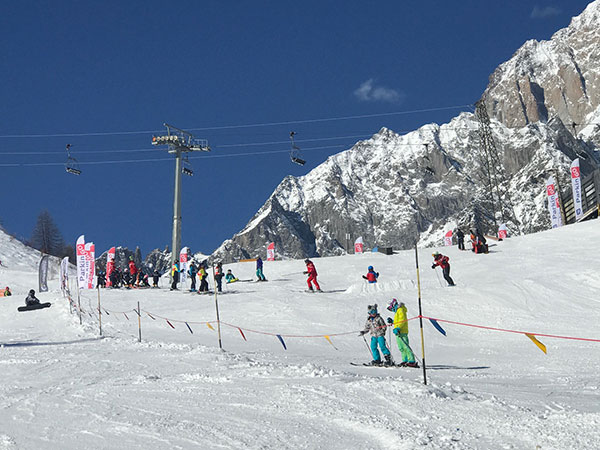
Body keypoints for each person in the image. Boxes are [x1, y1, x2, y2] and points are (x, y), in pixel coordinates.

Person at [386, 299, 418, 368]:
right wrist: (393, 321)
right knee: (401, 348)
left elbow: (402, 320)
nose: (391, 310)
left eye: (390, 308)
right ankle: (405, 360)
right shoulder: (397, 311)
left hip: (402, 331)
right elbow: (398, 321)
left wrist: (398, 328)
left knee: (405, 346)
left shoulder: (401, 310)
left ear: (393, 304)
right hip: (398, 332)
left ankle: (412, 361)